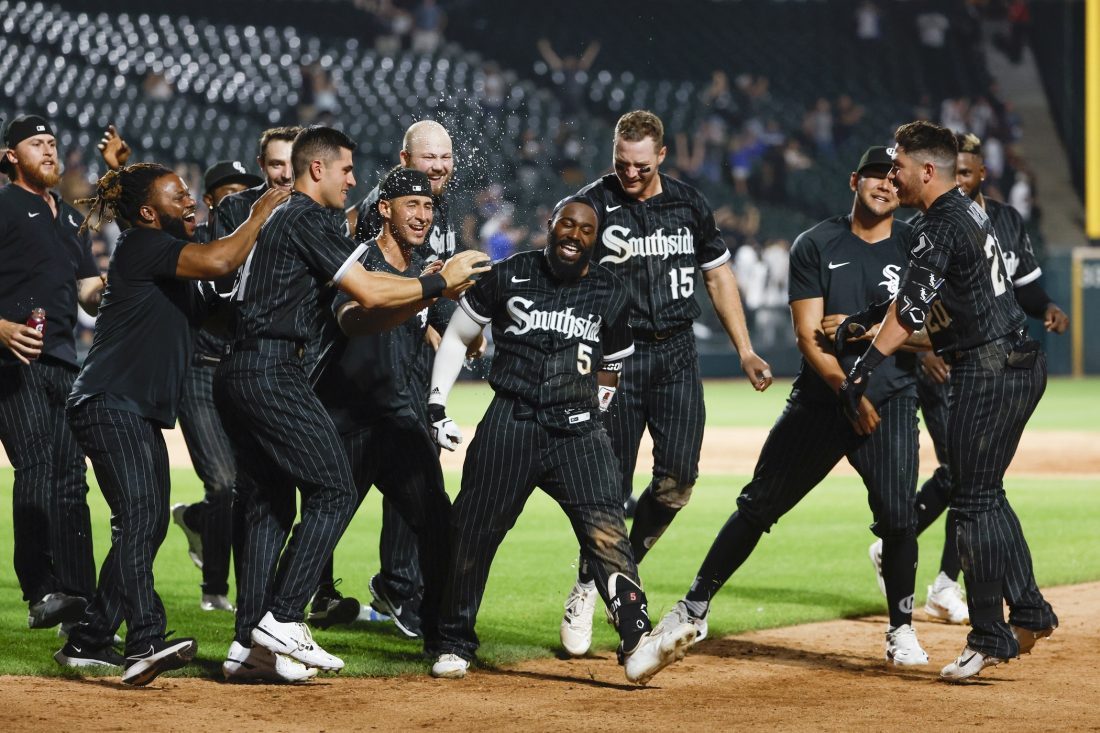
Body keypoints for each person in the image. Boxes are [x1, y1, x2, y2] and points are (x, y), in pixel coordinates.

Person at [212, 125, 489, 681]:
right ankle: (282, 620)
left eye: (430, 206)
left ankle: (255, 641)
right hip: (310, 392)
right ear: (383, 209)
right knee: (327, 493)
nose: (424, 215)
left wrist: (436, 305)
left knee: (273, 504)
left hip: (354, 402)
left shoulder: (308, 226)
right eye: (412, 203)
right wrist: (437, 288)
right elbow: (360, 306)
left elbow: (389, 310)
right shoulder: (329, 233)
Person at [654, 146, 932, 667]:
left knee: (899, 519)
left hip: (890, 400)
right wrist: (847, 388)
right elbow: (809, 336)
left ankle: (901, 629)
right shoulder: (816, 244)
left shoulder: (919, 244)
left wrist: (865, 328)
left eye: (893, 178)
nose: (885, 185)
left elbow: (934, 334)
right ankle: (693, 606)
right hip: (822, 400)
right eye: (875, 175)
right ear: (854, 180)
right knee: (758, 505)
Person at [425, 196, 696, 684]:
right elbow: (457, 335)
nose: (573, 234)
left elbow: (613, 362)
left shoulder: (611, 291)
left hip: (579, 432)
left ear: (595, 239)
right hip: (512, 421)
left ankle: (636, 644)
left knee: (607, 531)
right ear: (550, 226)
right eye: (565, 224)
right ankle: (452, 640)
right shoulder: (508, 275)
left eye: (585, 229)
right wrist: (437, 404)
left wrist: (602, 405)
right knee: (473, 531)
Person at [842, 121, 1057, 682]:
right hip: (1015, 360)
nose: (893, 175)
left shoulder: (939, 223)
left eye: (901, 167)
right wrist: (872, 321)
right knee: (983, 491)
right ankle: (1029, 609)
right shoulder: (967, 211)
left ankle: (989, 635)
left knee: (971, 502)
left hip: (988, 368)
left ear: (926, 171)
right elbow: (926, 302)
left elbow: (911, 313)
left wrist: (861, 369)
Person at [58, 162, 288, 685]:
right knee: (140, 519)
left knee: (149, 524)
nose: (190, 202)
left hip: (131, 411)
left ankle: (89, 639)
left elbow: (223, 303)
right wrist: (258, 213)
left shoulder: (170, 265)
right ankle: (144, 640)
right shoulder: (143, 244)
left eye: (189, 194)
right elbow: (223, 256)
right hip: (109, 402)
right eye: (178, 195)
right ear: (147, 213)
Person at [560, 110, 772, 656]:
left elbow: (718, 273)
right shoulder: (591, 206)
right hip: (617, 358)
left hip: (678, 354)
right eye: (620, 163)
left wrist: (745, 349)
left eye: (639, 165)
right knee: (608, 489)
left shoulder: (688, 203)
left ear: (660, 157)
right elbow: (561, 281)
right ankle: (590, 586)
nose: (628, 174)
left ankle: (613, 571)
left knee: (677, 483)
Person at [312, 119, 469, 635]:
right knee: (327, 512)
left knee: (429, 511)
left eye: (446, 159)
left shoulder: (430, 222)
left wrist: (445, 329)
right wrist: (426, 300)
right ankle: (282, 612)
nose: (439, 169)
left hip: (400, 394)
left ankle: (438, 624)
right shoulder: (371, 226)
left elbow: (430, 291)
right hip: (355, 398)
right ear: (404, 163)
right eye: (429, 160)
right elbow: (367, 296)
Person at [0, 114, 102, 632]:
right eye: (36, 144)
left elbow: (88, 289)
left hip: (65, 361)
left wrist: (118, 282)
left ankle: (77, 599)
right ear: (11, 155)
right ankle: (40, 589)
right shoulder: (3, 205)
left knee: (70, 478)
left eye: (53, 143)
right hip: (13, 361)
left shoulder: (66, 217)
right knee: (38, 462)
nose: (48, 151)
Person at [172, 160, 264, 613]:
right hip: (198, 370)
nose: (237, 201)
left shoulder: (257, 243)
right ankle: (214, 589)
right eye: (228, 194)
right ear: (209, 201)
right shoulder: (196, 240)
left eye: (245, 192)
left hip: (240, 374)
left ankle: (195, 521)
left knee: (245, 486)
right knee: (224, 483)